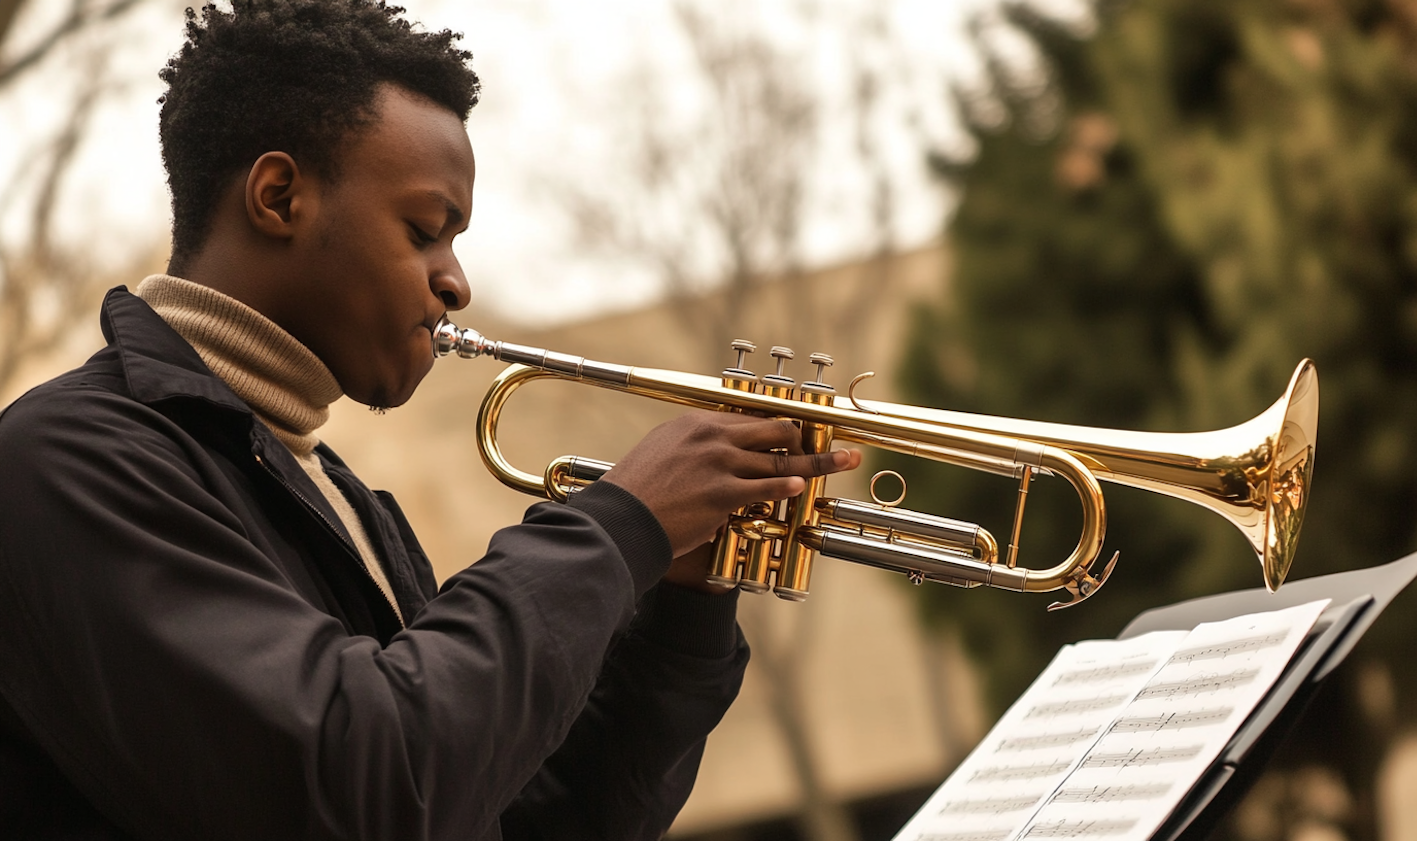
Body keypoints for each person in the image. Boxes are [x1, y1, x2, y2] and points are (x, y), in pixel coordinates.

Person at [0, 2, 858, 839]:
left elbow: (522, 816)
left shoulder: (335, 492)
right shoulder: (67, 459)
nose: (456, 283)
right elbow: (360, 788)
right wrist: (619, 526)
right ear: (278, 196)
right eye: (424, 231)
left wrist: (681, 601)